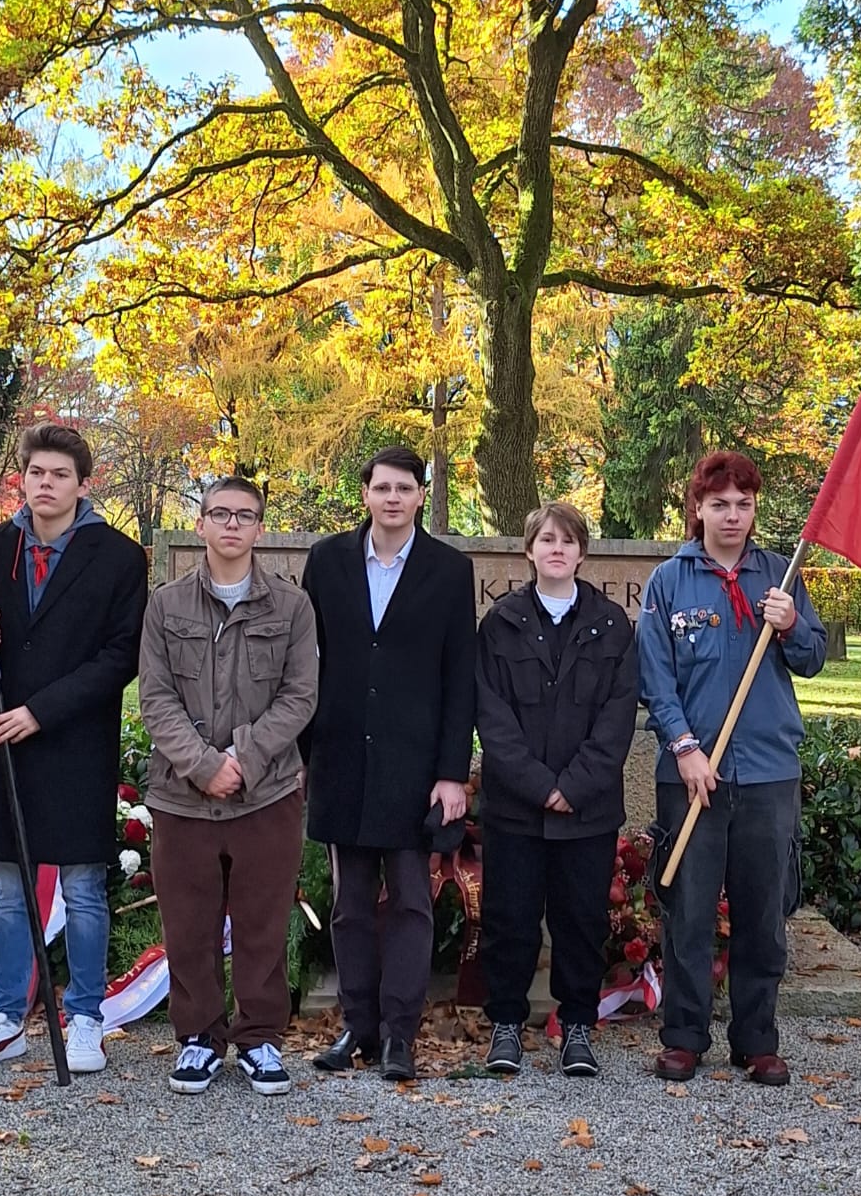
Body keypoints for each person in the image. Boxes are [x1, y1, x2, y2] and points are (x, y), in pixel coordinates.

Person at [0, 424, 148, 1075]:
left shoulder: (118, 557)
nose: (47, 484)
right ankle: (5, 1018)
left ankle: (85, 1016)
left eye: (60, 475)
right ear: (23, 478)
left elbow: (121, 655)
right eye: (37, 472)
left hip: (76, 740)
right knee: (9, 891)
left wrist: (43, 710)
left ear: (83, 484)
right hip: (5, 740)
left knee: (83, 887)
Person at [637, 451, 826, 1087]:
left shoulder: (781, 575)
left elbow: (813, 659)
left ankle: (756, 1040)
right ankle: (684, 1037)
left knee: (763, 914)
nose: (733, 516)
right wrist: (685, 747)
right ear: (698, 508)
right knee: (688, 912)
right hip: (692, 774)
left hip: (768, 771)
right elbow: (654, 678)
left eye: (744, 504)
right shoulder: (669, 582)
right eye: (719, 504)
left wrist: (791, 624)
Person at [138, 476, 318, 1096]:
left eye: (244, 515)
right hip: (182, 797)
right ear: (202, 524)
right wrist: (202, 765)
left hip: (266, 794)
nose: (232, 524)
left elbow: (300, 696)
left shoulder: (291, 607)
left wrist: (241, 757)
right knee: (188, 923)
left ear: (260, 528)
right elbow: (155, 697)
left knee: (263, 922)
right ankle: (198, 1037)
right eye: (220, 513)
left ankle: (259, 1039)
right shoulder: (165, 605)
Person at [301, 445, 476, 1081]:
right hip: (341, 758)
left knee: (409, 904)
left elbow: (460, 676)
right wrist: (304, 756)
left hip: (414, 766)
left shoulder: (450, 570)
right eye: (382, 488)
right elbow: (306, 663)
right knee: (349, 905)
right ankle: (358, 1027)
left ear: (421, 495)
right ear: (366, 494)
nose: (393, 498)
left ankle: (400, 1034)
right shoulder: (327, 562)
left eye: (405, 488)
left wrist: (452, 772)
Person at [475, 502, 637, 1077]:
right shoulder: (500, 623)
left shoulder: (612, 625)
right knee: (509, 920)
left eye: (568, 541)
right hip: (515, 810)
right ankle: (506, 1026)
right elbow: (492, 717)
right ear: (529, 551)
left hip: (587, 812)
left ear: (582, 552)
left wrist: (573, 787)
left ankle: (577, 1028)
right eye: (547, 540)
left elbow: (617, 717)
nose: (557, 550)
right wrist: (541, 787)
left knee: (581, 922)